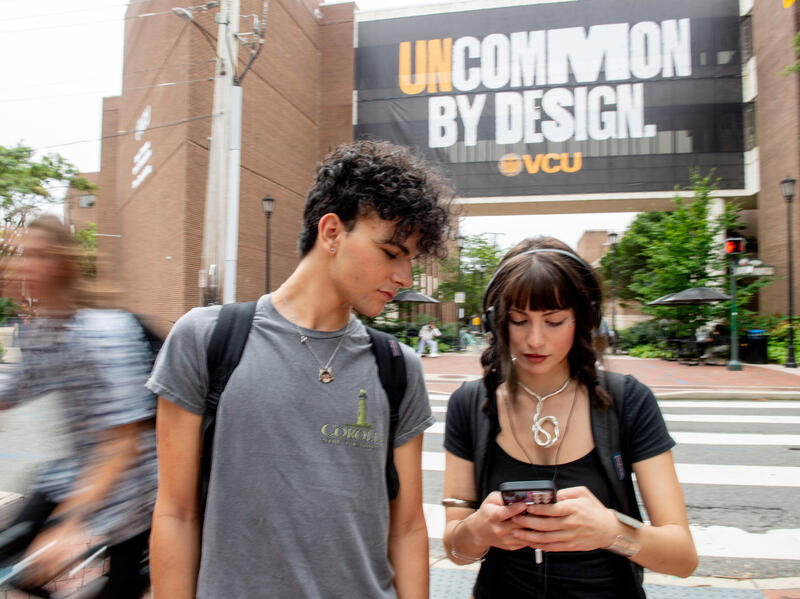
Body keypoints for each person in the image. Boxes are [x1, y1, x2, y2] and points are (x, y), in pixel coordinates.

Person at [146, 140, 455, 599]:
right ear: (331, 233)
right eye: (392, 252)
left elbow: (408, 529)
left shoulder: (397, 367)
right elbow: (175, 512)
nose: (405, 277)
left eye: (411, 258)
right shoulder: (207, 340)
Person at [441, 237, 697, 598]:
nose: (535, 340)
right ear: (497, 321)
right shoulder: (469, 405)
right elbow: (455, 550)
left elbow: (683, 558)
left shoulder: (629, 401)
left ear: (584, 319)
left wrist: (612, 532)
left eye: (554, 321)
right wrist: (478, 531)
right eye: (518, 320)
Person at [0, 216, 157, 598]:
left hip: (127, 498)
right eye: (20, 254)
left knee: (103, 587)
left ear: (63, 264)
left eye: (37, 255)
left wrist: (68, 526)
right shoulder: (41, 334)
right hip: (72, 477)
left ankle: (138, 573)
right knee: (14, 562)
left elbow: (124, 447)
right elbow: (9, 393)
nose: (23, 264)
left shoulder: (104, 334)